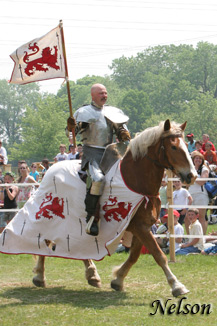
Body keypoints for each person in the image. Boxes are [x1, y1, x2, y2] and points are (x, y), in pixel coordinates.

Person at [66, 83, 130, 236]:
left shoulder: (114, 112)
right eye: (101, 93)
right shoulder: (84, 112)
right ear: (93, 95)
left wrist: (123, 133)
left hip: (112, 153)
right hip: (92, 153)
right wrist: (71, 127)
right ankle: (91, 216)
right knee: (98, 179)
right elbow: (72, 134)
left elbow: (122, 131)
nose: (104, 96)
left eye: (105, 93)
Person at [187, 151, 209, 234]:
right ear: (193, 160)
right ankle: (190, 237)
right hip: (191, 194)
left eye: (200, 158)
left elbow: (202, 182)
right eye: (196, 158)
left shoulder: (204, 169)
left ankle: (202, 237)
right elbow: (185, 182)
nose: (198, 160)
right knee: (189, 217)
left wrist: (192, 177)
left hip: (201, 195)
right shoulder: (190, 168)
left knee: (201, 217)